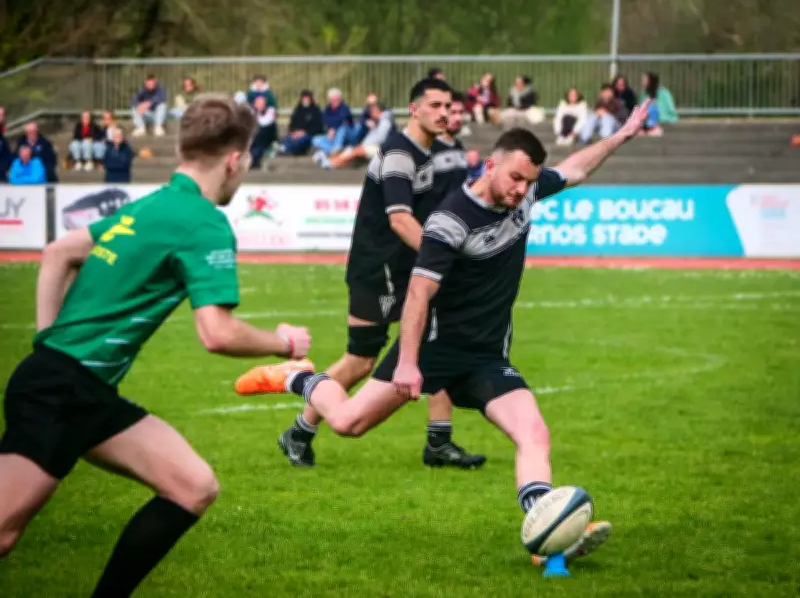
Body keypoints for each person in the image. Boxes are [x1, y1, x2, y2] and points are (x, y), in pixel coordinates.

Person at [235, 102, 653, 564]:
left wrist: (622, 135)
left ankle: (545, 534)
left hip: (486, 355)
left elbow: (575, 168)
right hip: (433, 349)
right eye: (515, 179)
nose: (522, 190)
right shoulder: (449, 221)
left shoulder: (528, 193)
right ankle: (298, 377)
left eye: (530, 182)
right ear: (491, 165)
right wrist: (410, 363)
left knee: (533, 432)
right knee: (348, 423)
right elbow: (417, 295)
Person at [0, 94, 312, 597]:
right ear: (234, 159)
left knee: (193, 486)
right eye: (248, 159)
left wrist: (47, 344)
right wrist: (282, 342)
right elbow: (217, 332)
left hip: (83, 390)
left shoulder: (149, 206)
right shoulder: (203, 222)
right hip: (61, 390)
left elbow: (58, 253)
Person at [242, 78, 482, 470]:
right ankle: (299, 430)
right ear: (414, 108)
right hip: (378, 271)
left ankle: (439, 440)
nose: (443, 113)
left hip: (406, 268)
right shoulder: (399, 155)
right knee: (360, 360)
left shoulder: (429, 153)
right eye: (435, 105)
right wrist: (441, 258)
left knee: (439, 339)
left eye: (448, 106)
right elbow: (400, 220)